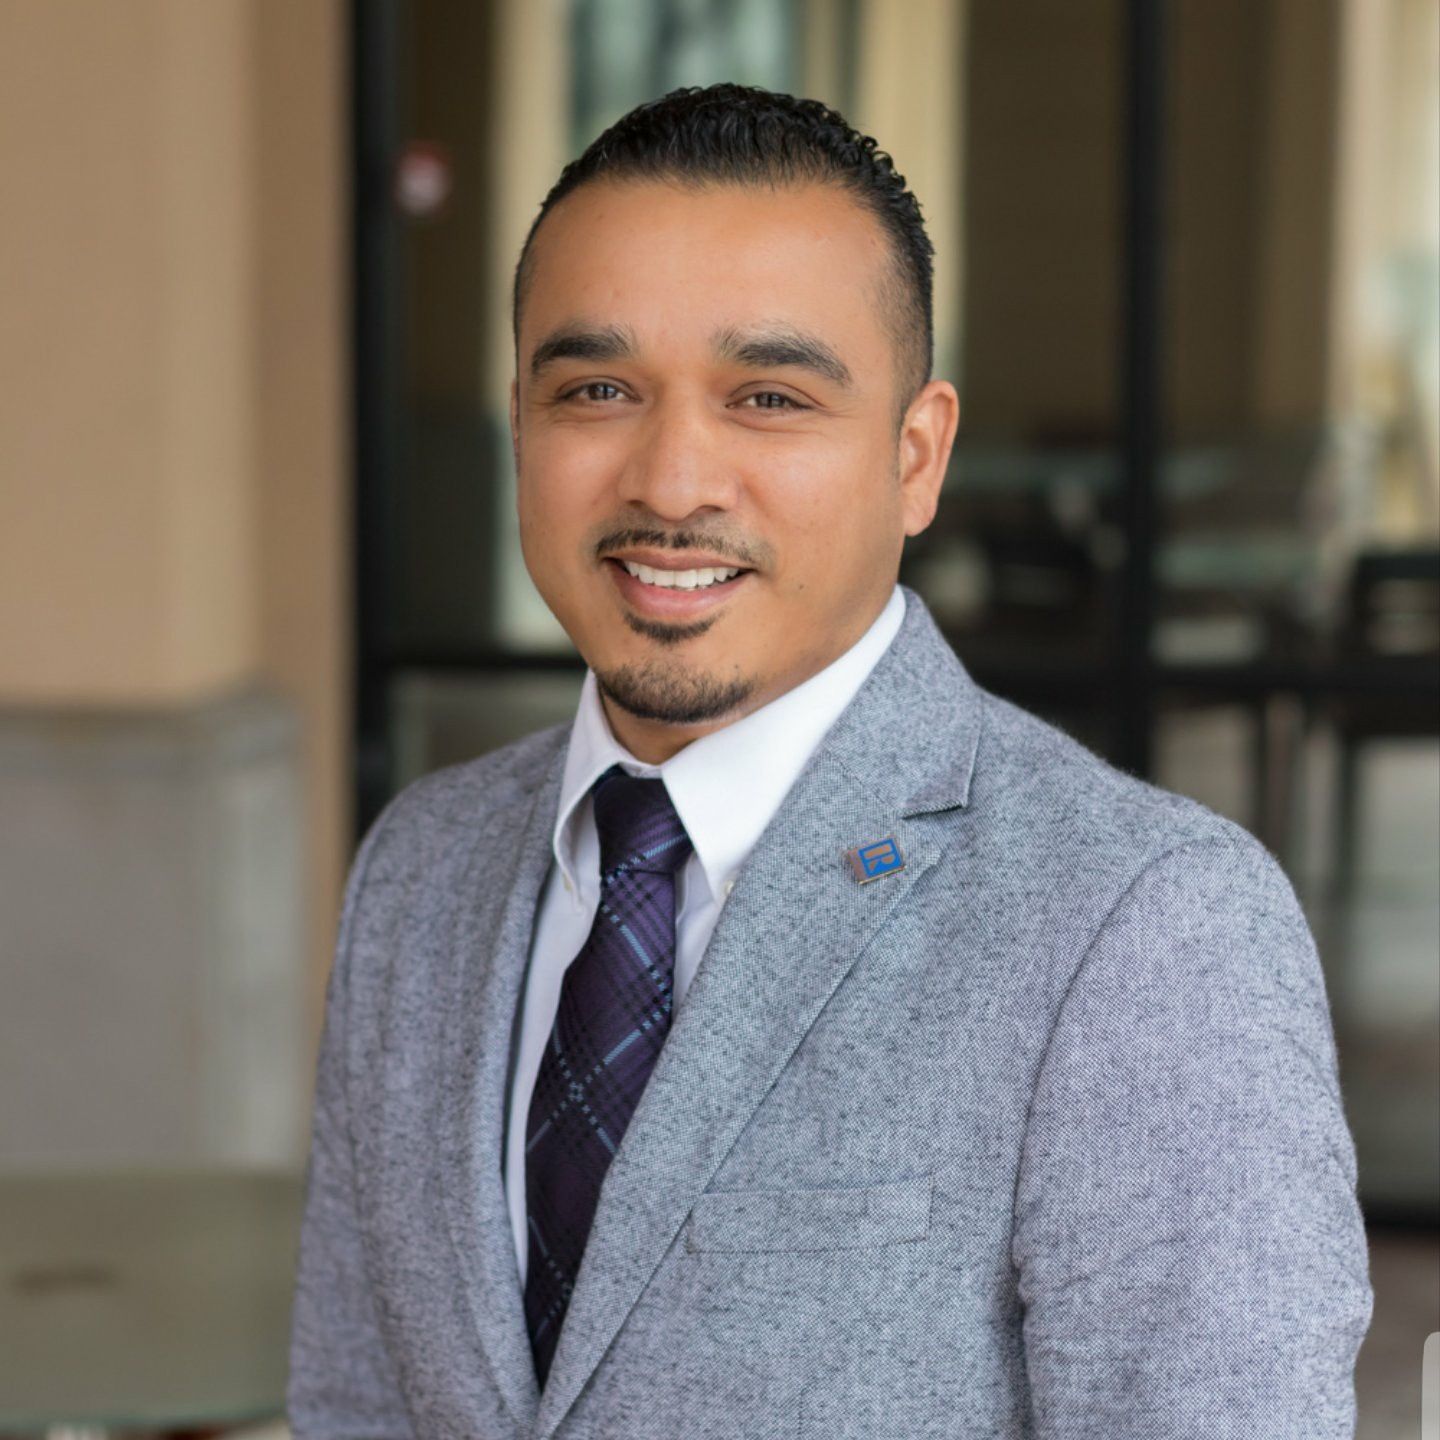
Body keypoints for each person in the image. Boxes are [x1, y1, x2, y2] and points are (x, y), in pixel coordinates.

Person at [288, 84, 1372, 1439]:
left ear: (915, 458)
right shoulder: (420, 869)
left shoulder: (1147, 924)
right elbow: (356, 1405)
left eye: (768, 396)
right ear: (522, 423)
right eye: (599, 390)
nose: (673, 479)